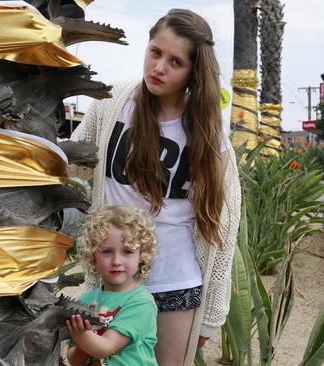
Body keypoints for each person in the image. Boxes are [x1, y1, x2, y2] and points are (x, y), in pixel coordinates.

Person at [70, 8, 241, 366]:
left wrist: (211, 315)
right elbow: (71, 162)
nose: (159, 67)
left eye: (175, 62)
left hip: (174, 285)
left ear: (194, 72)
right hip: (111, 277)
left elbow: (222, 227)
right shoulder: (112, 103)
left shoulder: (208, 135)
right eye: (155, 52)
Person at [66, 205, 159, 366]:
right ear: (93, 255)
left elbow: (106, 347)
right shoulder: (86, 299)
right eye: (107, 251)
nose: (116, 261)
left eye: (127, 252)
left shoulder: (141, 303)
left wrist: (82, 335)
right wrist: (81, 339)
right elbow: (74, 361)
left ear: (141, 255)